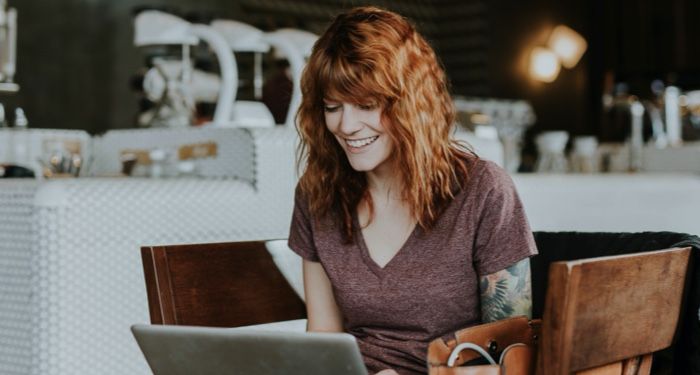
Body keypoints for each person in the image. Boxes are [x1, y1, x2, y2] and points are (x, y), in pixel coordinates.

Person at [288, 6, 537, 375]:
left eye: (367, 105)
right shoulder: (317, 195)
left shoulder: (483, 191)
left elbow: (515, 360)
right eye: (332, 106)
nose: (346, 125)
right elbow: (323, 339)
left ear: (410, 103)